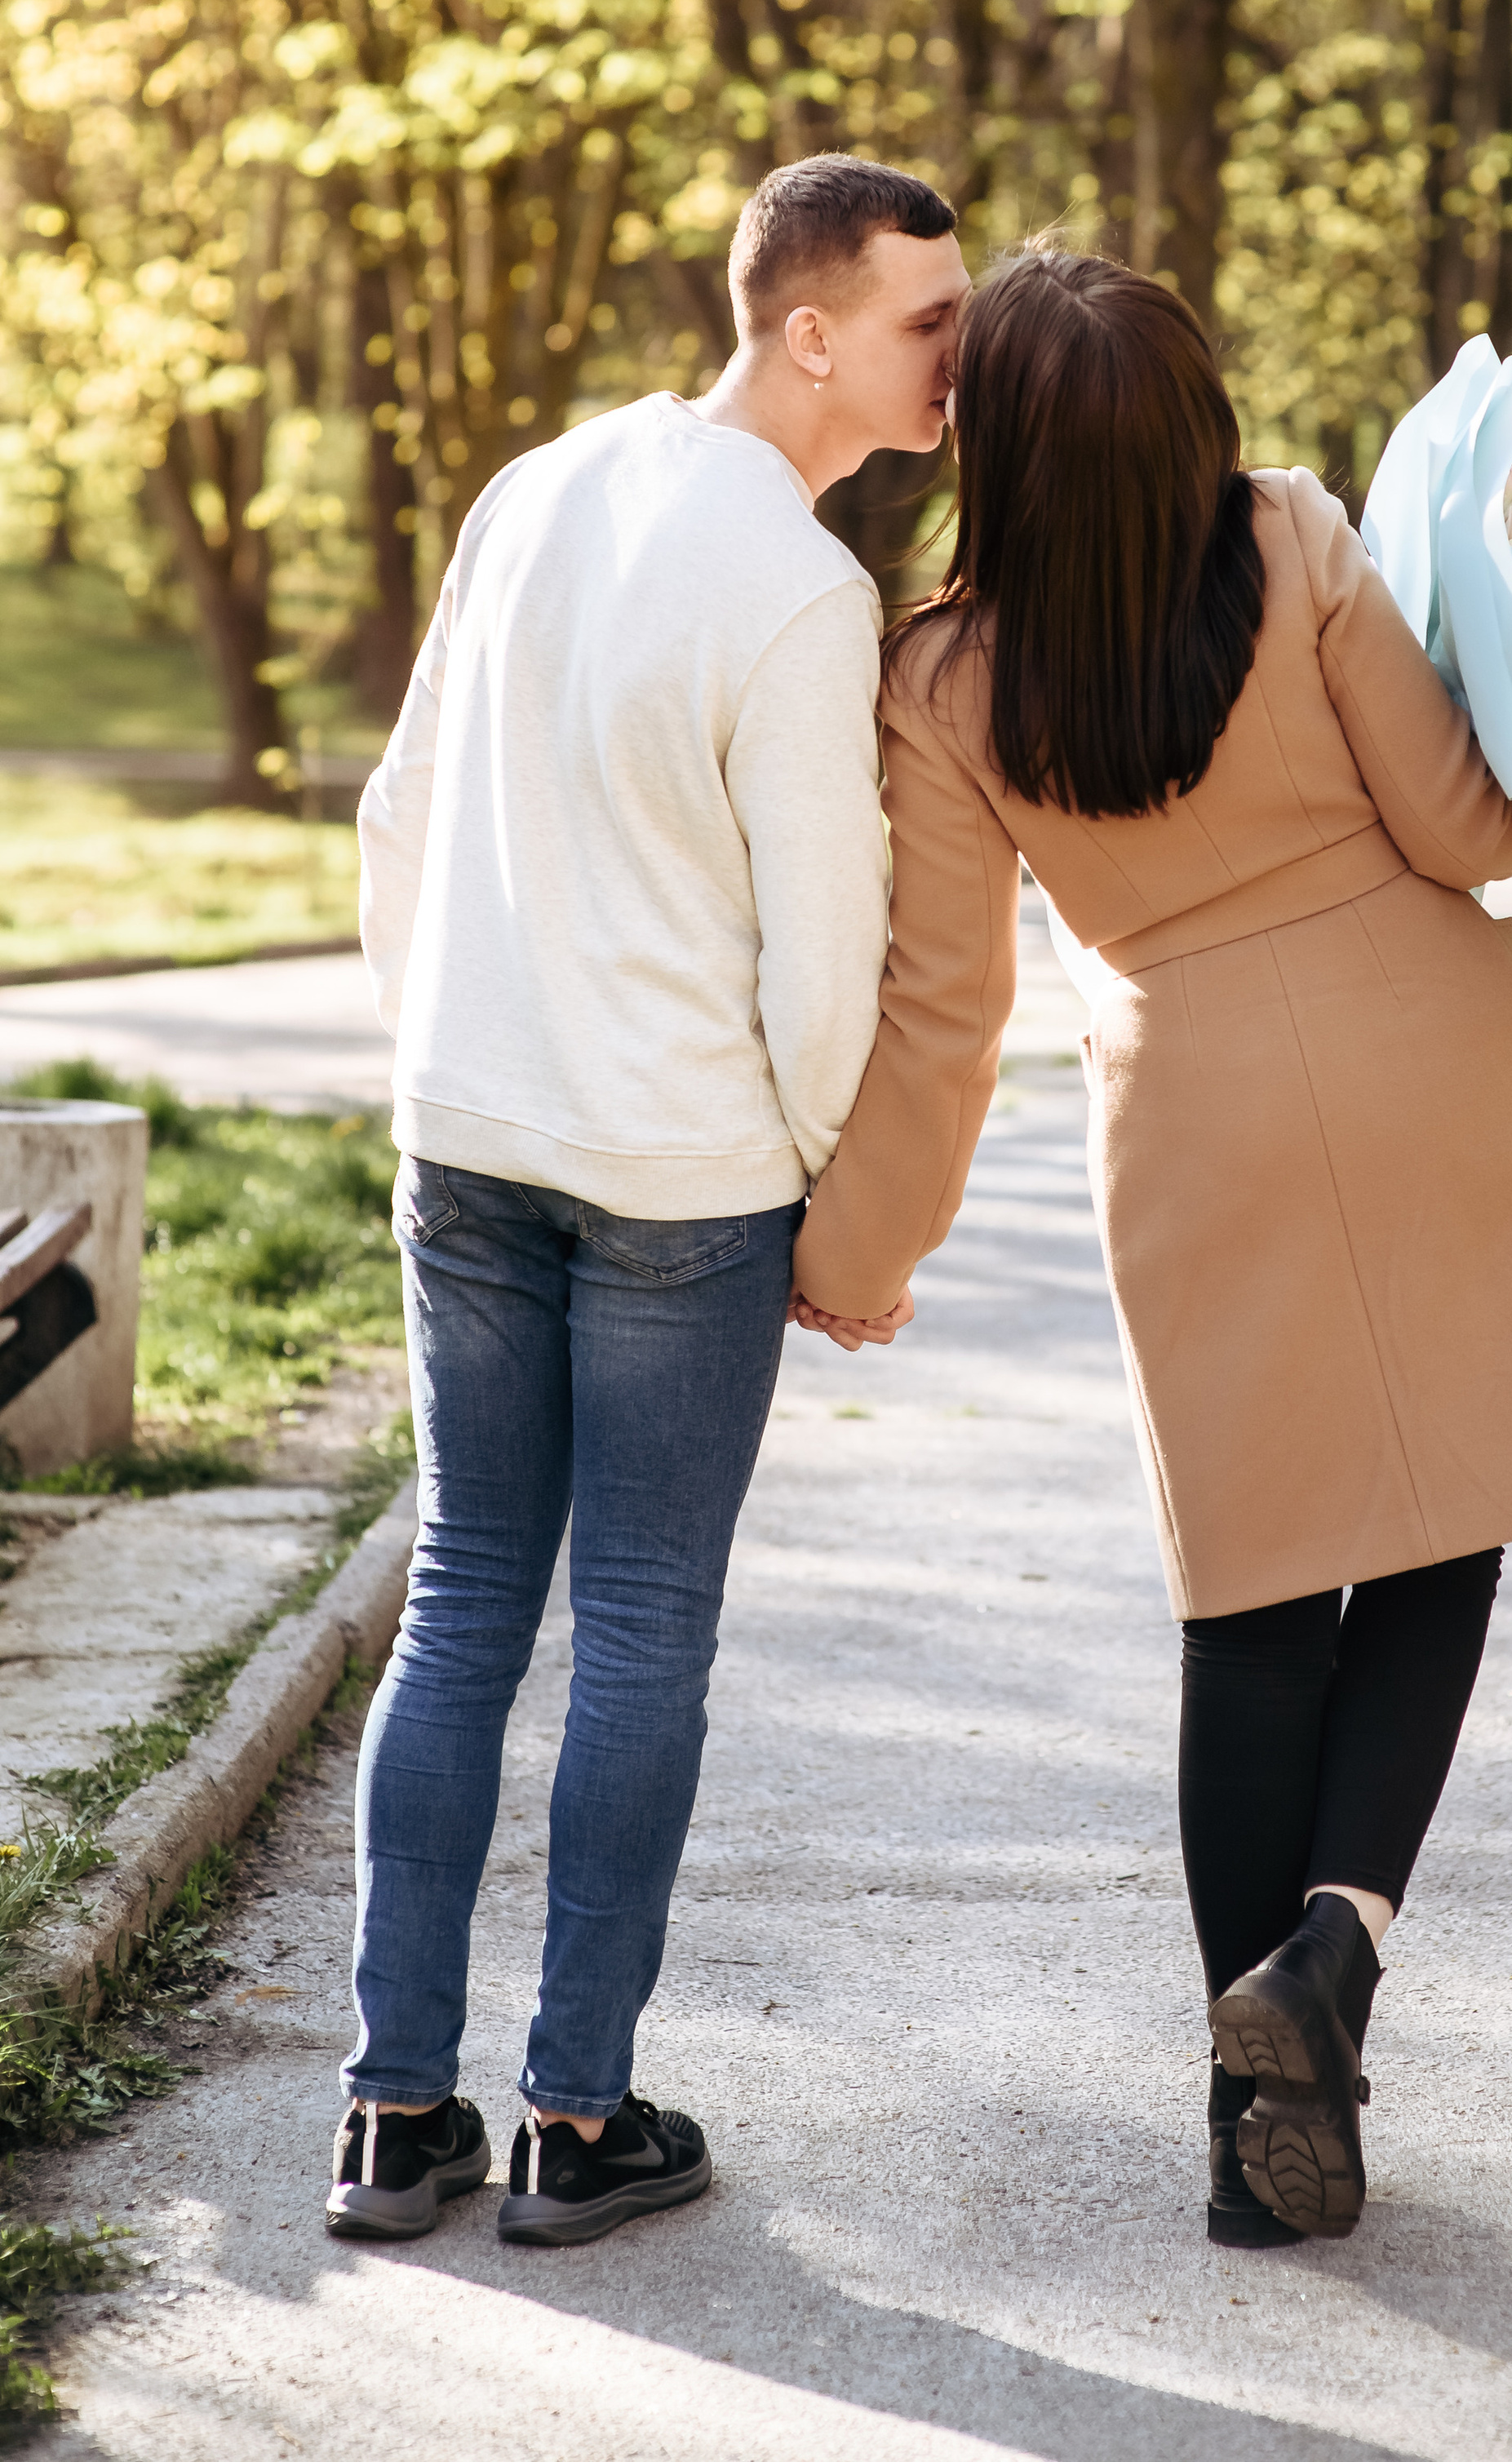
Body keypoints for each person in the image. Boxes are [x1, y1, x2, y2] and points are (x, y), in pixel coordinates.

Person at [793, 249, 1512, 2248]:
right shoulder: (1288, 536)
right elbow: (1465, 832)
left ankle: (1249, 2127)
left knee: (1253, 1602)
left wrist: (858, 1249)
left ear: (999, 454)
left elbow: (944, 1011)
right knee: (1443, 1533)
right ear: (1193, 417)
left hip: (1193, 1109)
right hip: (1433, 1057)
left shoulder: (936, 675)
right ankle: (1334, 1953)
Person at [330, 155, 961, 2248]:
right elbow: (821, 953)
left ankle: (394, 2116)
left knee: (464, 1603)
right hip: (680, 1180)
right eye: (922, 323)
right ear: (806, 330)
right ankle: (575, 2124)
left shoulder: (536, 484)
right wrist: (804, 1189)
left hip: (470, 1144)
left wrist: (442, 1050)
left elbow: (397, 810)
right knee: (640, 1632)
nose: (954, 357)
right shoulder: (798, 586)